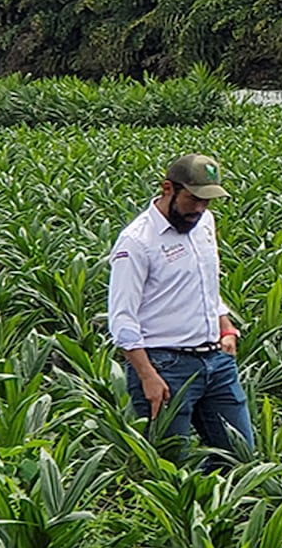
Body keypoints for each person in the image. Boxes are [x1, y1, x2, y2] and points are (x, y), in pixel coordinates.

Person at [107, 153, 254, 460]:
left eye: (206, 201)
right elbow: (122, 319)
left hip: (217, 360)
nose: (199, 209)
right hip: (165, 366)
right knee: (171, 467)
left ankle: (214, 494)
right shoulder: (136, 241)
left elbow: (205, 284)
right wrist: (147, 375)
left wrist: (225, 325)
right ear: (168, 189)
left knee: (239, 456)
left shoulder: (204, 223)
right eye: (193, 199)